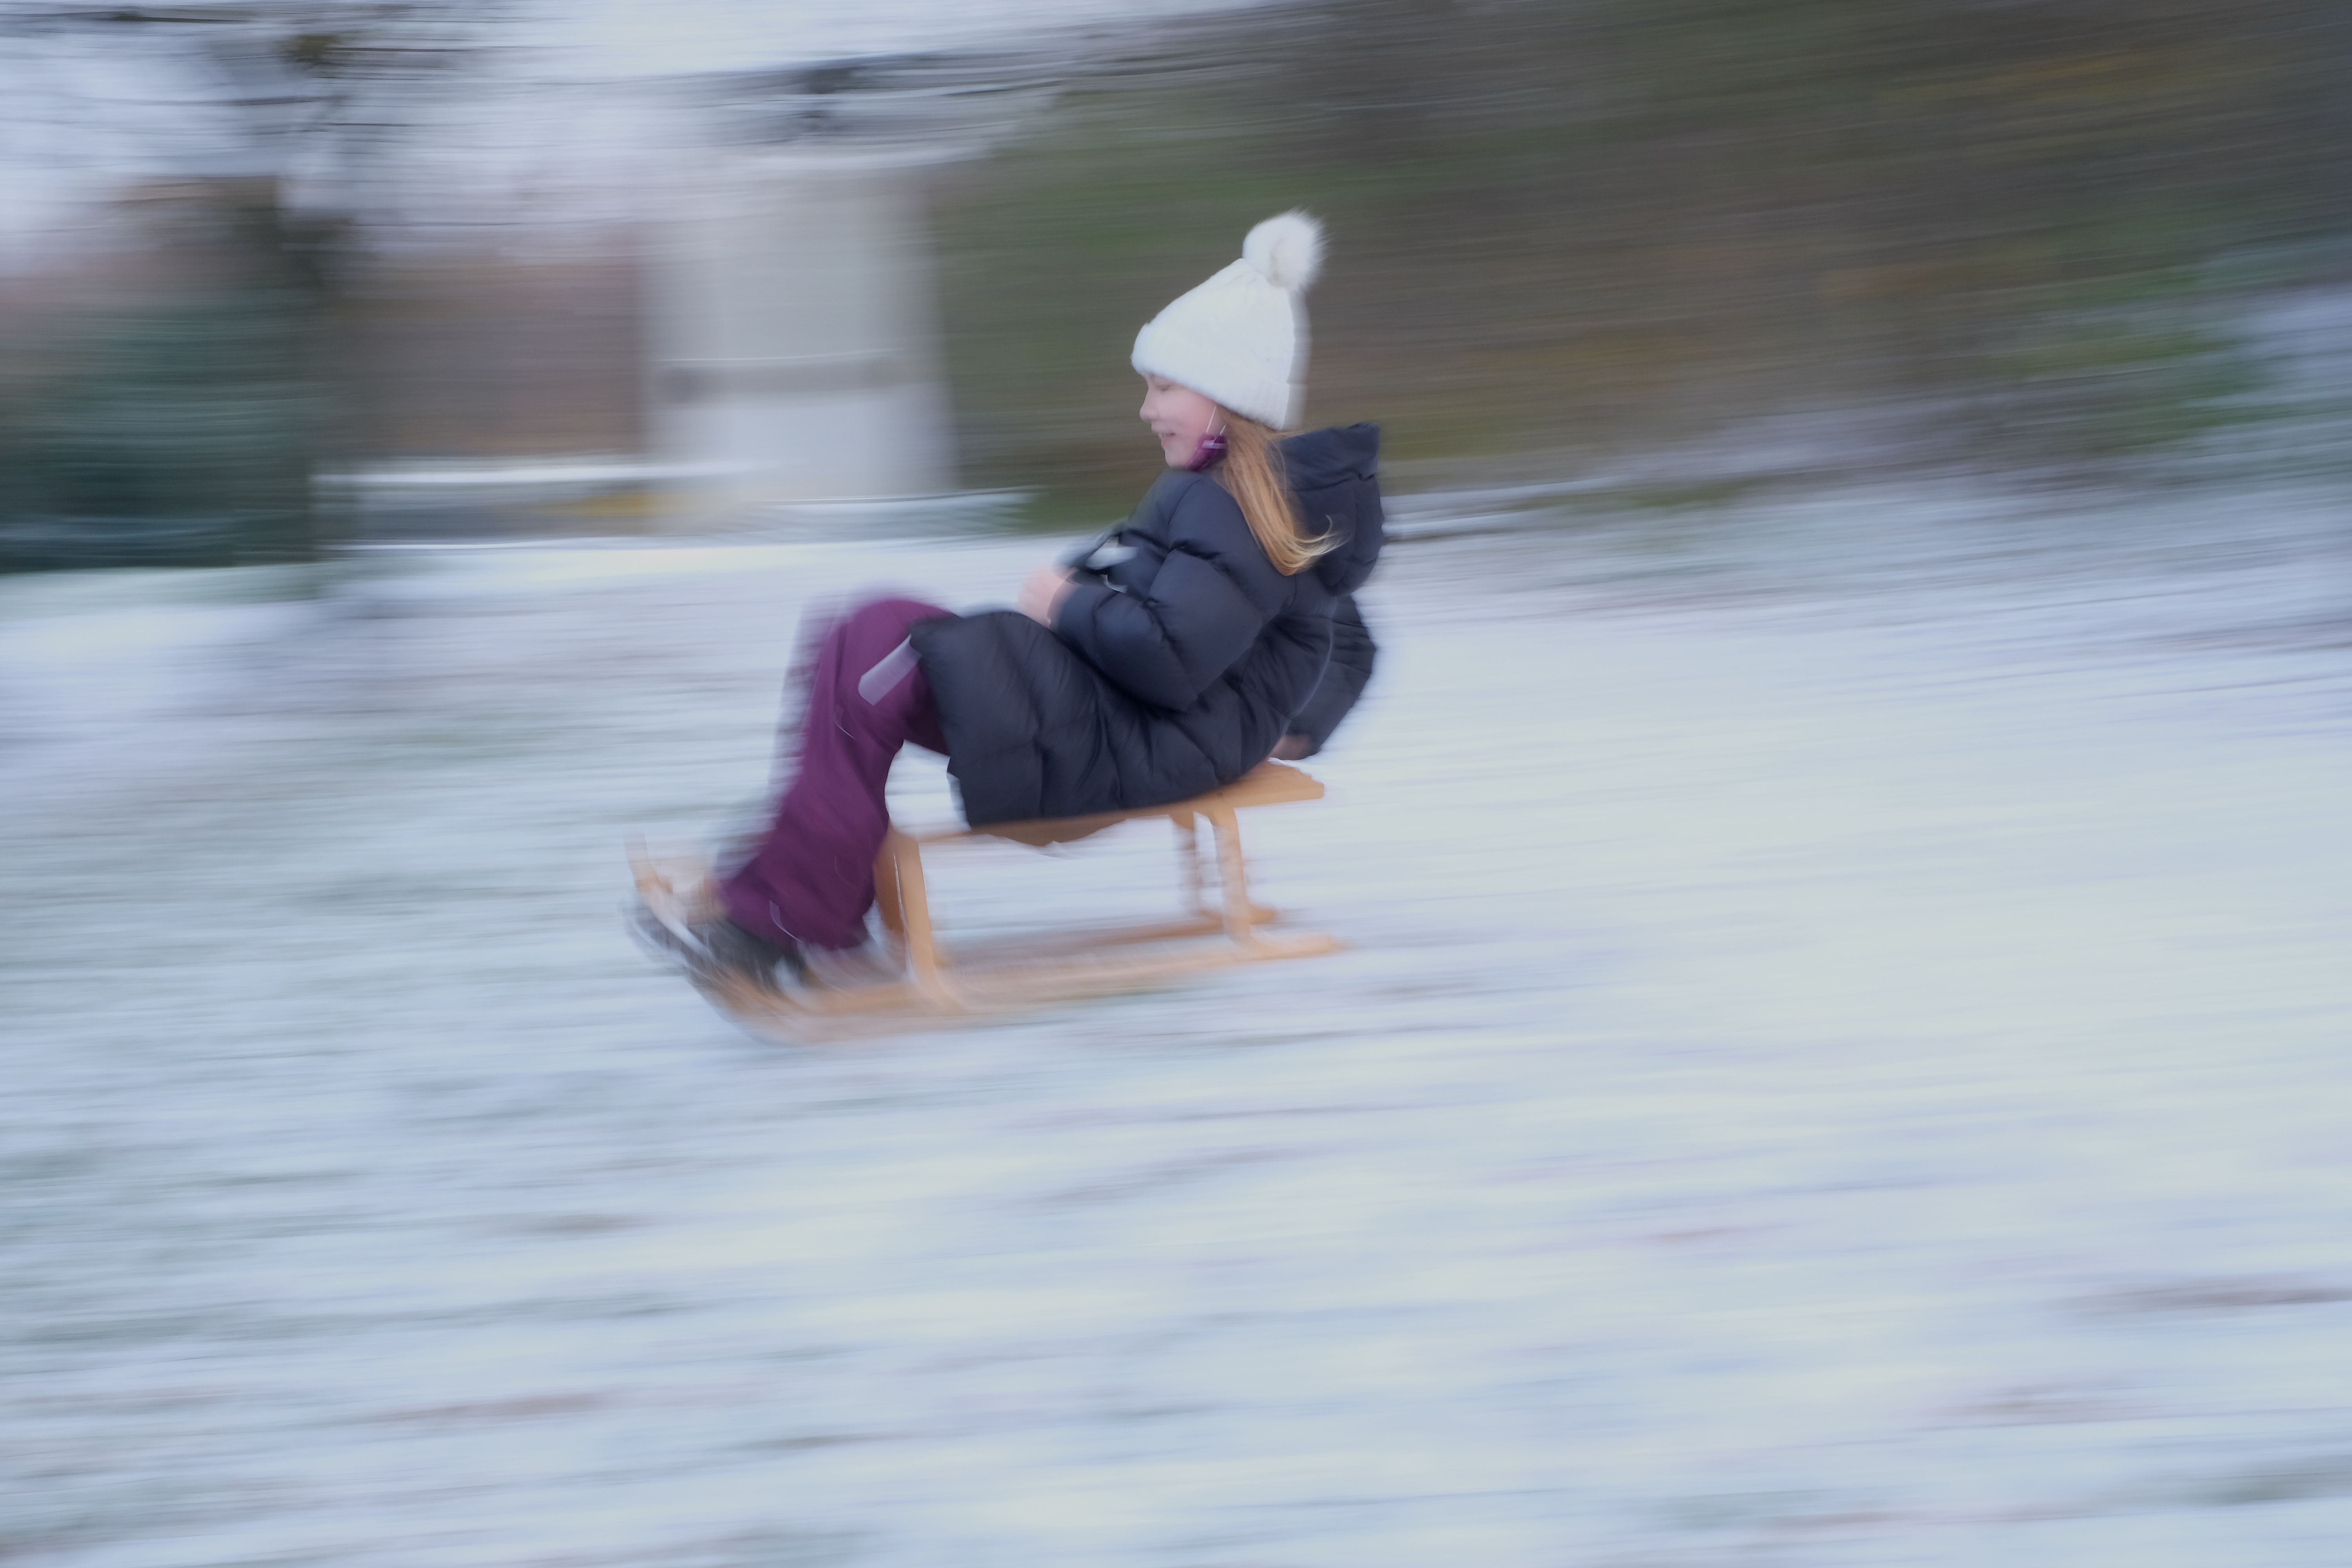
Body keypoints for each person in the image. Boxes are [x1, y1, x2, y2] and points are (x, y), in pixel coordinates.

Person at [636, 211, 1384, 992]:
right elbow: (1254, 622)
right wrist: (1079, 597)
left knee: (878, 644)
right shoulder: (1231, 501)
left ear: (1225, 399)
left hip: (1137, 733)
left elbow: (1171, 657)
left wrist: (1066, 605)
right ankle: (792, 872)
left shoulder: (1237, 508)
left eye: (1163, 387)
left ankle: (791, 904)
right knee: (867, 633)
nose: (1146, 408)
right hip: (1120, 714)